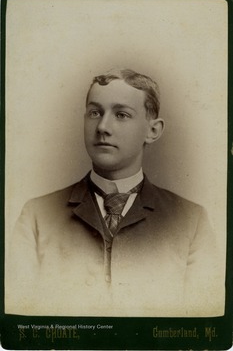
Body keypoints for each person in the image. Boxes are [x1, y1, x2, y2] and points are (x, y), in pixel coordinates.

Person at [5, 69, 224, 317]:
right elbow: (20, 318)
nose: (103, 127)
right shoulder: (37, 216)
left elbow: (201, 323)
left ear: (153, 131)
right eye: (95, 112)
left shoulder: (191, 221)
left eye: (121, 115)